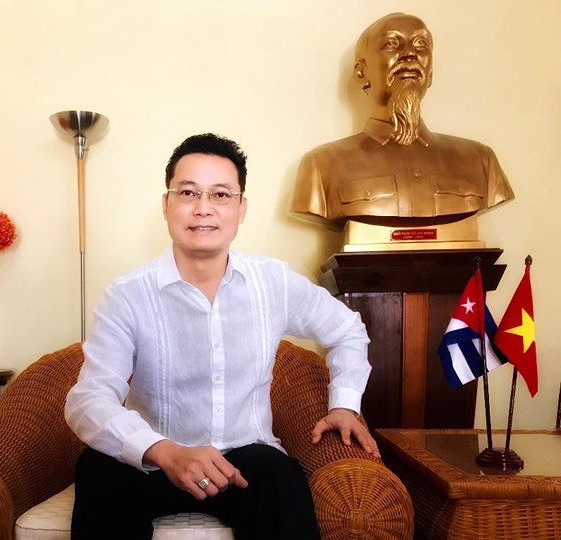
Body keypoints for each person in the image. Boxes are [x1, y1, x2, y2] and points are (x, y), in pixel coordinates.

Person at [65, 133, 379, 539]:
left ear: (241, 208)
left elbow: (347, 329)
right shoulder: (127, 296)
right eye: (188, 193)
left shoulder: (272, 282)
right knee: (97, 469)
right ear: (166, 205)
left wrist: (345, 405)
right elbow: (88, 399)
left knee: (280, 475)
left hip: (245, 465)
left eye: (220, 194)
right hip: (154, 462)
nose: (203, 208)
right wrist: (165, 452)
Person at [291, 12, 514, 229]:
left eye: (420, 44)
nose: (410, 54)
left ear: (431, 72)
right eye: (391, 44)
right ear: (361, 73)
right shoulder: (322, 166)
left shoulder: (481, 161)